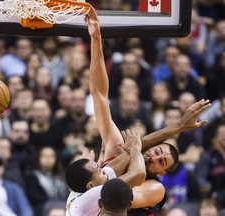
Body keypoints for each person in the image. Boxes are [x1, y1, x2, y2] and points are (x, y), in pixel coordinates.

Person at [65, 7, 211, 216]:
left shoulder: (155, 188)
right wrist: (96, 38)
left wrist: (96, 37)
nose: (154, 157)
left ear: (162, 172)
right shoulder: (113, 164)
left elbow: (122, 188)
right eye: (156, 151)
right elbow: (98, 94)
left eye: (161, 161)